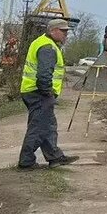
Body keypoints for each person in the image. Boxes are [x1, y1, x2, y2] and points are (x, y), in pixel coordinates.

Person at [17, 18, 79, 170]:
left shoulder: (43, 42)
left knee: (48, 125)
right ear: (53, 31)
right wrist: (47, 93)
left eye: (66, 32)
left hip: (34, 92)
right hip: (39, 93)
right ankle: (26, 161)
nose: (66, 35)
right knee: (38, 127)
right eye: (63, 31)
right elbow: (44, 74)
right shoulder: (47, 48)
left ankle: (55, 157)